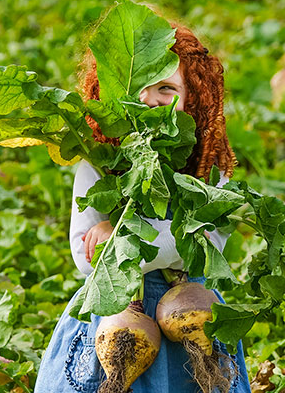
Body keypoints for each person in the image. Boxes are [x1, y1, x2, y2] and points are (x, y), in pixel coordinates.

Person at [33, 20, 252, 393]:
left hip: (187, 312)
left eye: (167, 88)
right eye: (140, 88)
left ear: (193, 98)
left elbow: (205, 246)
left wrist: (119, 238)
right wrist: (166, 242)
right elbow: (84, 256)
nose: (151, 99)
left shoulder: (208, 168)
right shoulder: (99, 160)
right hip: (113, 314)